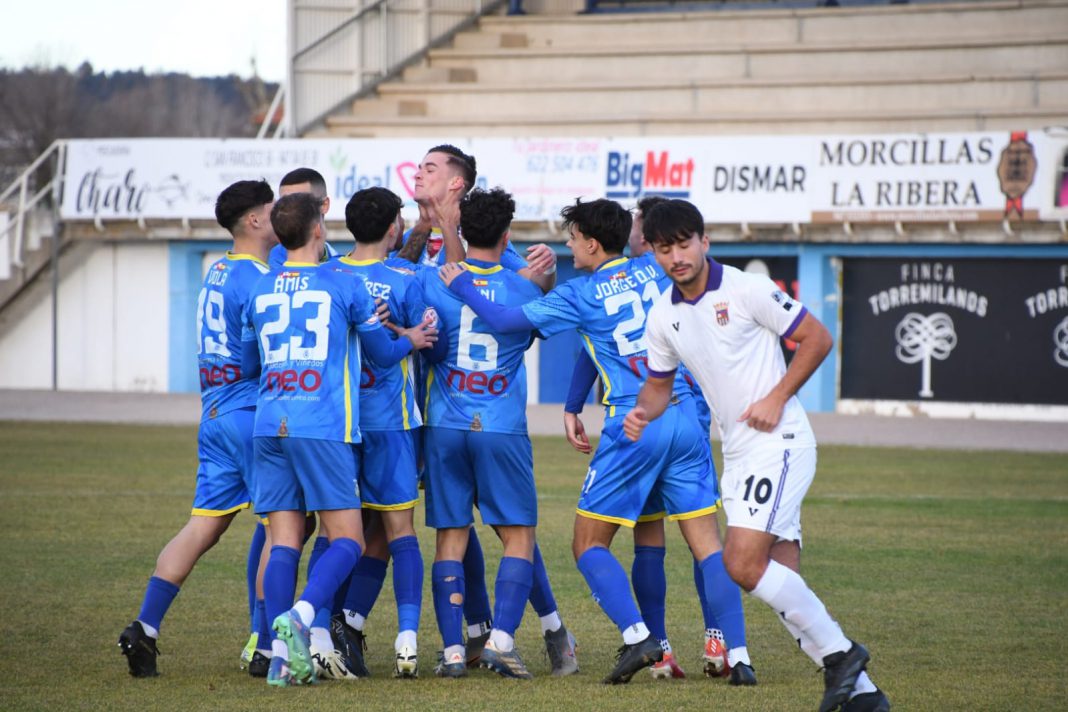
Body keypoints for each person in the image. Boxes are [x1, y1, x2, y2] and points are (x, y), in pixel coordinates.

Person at [441, 198, 749, 685]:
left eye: (572, 237)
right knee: (703, 544)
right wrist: (571, 402)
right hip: (687, 416)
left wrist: (459, 281)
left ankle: (641, 639)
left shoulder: (580, 293)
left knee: (588, 543)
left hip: (633, 421)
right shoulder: (657, 266)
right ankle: (737, 654)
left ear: (590, 241)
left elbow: (502, 321)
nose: (567, 244)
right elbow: (602, 338)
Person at [624, 199, 889, 712]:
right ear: (653, 253)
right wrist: (640, 412)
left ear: (704, 241)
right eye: (664, 248)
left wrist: (776, 397)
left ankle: (842, 654)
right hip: (740, 455)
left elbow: (817, 337)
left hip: (781, 443)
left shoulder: (747, 288)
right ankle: (864, 697)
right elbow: (658, 387)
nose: (676, 256)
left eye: (684, 244)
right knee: (781, 579)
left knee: (742, 563)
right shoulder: (663, 315)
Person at [242, 192, 437, 687]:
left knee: (284, 538)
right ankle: (304, 617)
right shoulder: (343, 284)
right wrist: (410, 339)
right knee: (348, 538)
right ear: (317, 230)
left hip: (269, 423)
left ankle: (280, 654)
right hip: (323, 425)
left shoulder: (260, 288)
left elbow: (249, 364)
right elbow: (379, 352)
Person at [117, 179, 277, 678]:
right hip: (248, 413)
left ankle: (145, 626)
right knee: (284, 527)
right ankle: (268, 644)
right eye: (272, 210)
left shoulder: (216, 271)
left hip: (211, 413)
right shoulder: (258, 278)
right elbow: (259, 353)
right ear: (253, 220)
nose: (279, 217)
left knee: (203, 525)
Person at [419, 187, 576, 679]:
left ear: (462, 231)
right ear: (507, 235)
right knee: (519, 536)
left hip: (444, 425)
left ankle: (450, 654)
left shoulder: (435, 283)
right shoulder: (525, 288)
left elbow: (429, 343)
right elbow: (535, 308)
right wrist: (542, 273)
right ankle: (502, 642)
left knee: (450, 536)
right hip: (500, 427)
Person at [335, 186, 428, 678]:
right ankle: (407, 640)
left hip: (340, 427)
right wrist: (408, 335)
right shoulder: (407, 278)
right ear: (394, 226)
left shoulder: (329, 274)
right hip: (392, 423)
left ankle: (334, 627)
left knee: (339, 533)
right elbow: (426, 340)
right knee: (399, 532)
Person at [394, 144, 558, 293]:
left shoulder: (479, 233)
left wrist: (548, 266)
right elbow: (394, 282)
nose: (417, 175)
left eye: (429, 170)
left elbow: (537, 282)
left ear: (456, 182)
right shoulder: (412, 236)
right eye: (419, 169)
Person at [268, 167, 338, 269]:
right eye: (284, 203)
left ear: (324, 205)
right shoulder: (269, 264)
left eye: (302, 202)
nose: (291, 210)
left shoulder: (341, 264)